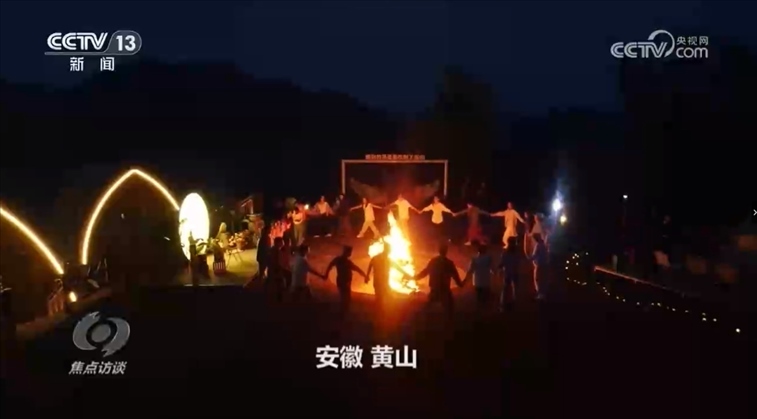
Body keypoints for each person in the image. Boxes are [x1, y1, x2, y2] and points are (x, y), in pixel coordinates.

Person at [414, 242, 464, 318]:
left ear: (439, 251)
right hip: (444, 289)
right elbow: (455, 276)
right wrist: (460, 284)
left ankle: (423, 318)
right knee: (449, 308)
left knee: (429, 305)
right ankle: (448, 321)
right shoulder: (449, 263)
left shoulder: (433, 261)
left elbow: (425, 272)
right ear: (446, 251)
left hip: (435, 288)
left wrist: (415, 278)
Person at [325, 246, 366, 316]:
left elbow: (330, 265)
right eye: (350, 252)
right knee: (346, 297)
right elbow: (356, 269)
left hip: (341, 280)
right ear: (347, 252)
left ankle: (343, 312)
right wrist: (365, 276)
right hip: (345, 281)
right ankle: (343, 312)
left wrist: (326, 274)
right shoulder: (346, 262)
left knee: (344, 296)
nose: (350, 254)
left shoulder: (339, 260)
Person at [465, 241, 494, 308]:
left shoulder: (474, 259)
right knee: (486, 299)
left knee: (479, 298)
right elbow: (492, 269)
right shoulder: (488, 258)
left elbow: (470, 270)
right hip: (486, 282)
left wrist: (465, 280)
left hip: (477, 282)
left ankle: (480, 309)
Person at [264, 237, 287, 302]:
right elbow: (276, 261)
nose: (283, 243)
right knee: (279, 283)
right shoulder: (276, 251)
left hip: (272, 269)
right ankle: (278, 297)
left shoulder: (272, 249)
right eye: (281, 242)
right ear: (277, 243)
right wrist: (278, 268)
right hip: (275, 270)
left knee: (273, 282)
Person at [499, 237, 520, 310]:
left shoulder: (505, 252)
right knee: (515, 289)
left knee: (505, 289)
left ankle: (503, 304)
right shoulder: (516, 253)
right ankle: (514, 303)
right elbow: (518, 262)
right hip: (514, 272)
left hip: (507, 272)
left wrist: (499, 268)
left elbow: (502, 263)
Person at [527, 233, 549, 300]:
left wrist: (529, 259)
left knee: (537, 279)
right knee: (543, 279)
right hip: (544, 264)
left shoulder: (538, 245)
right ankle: (543, 293)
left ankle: (540, 294)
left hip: (539, 265)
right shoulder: (543, 245)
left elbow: (535, 255)